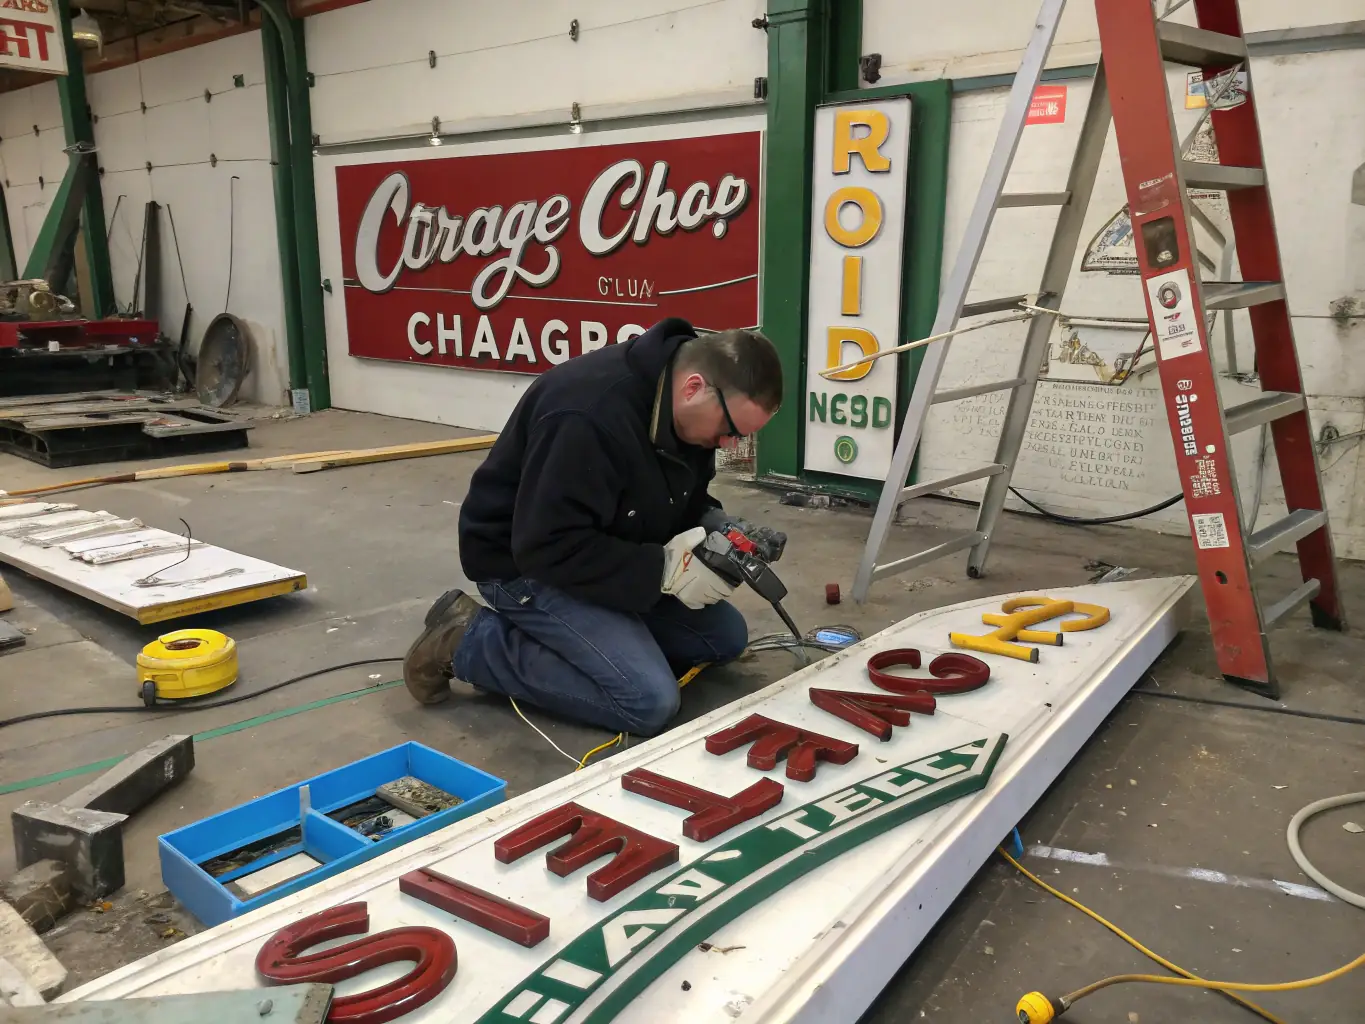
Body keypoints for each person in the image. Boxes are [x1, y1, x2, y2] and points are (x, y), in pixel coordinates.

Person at [402, 317, 784, 737]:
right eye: (730, 431)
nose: (731, 445)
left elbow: (686, 499)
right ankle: (467, 641)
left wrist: (721, 527)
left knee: (724, 638)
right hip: (522, 564)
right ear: (694, 388)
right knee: (648, 701)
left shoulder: (685, 411)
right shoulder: (586, 416)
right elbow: (544, 546)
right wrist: (663, 570)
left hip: (605, 549)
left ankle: (600, 648)